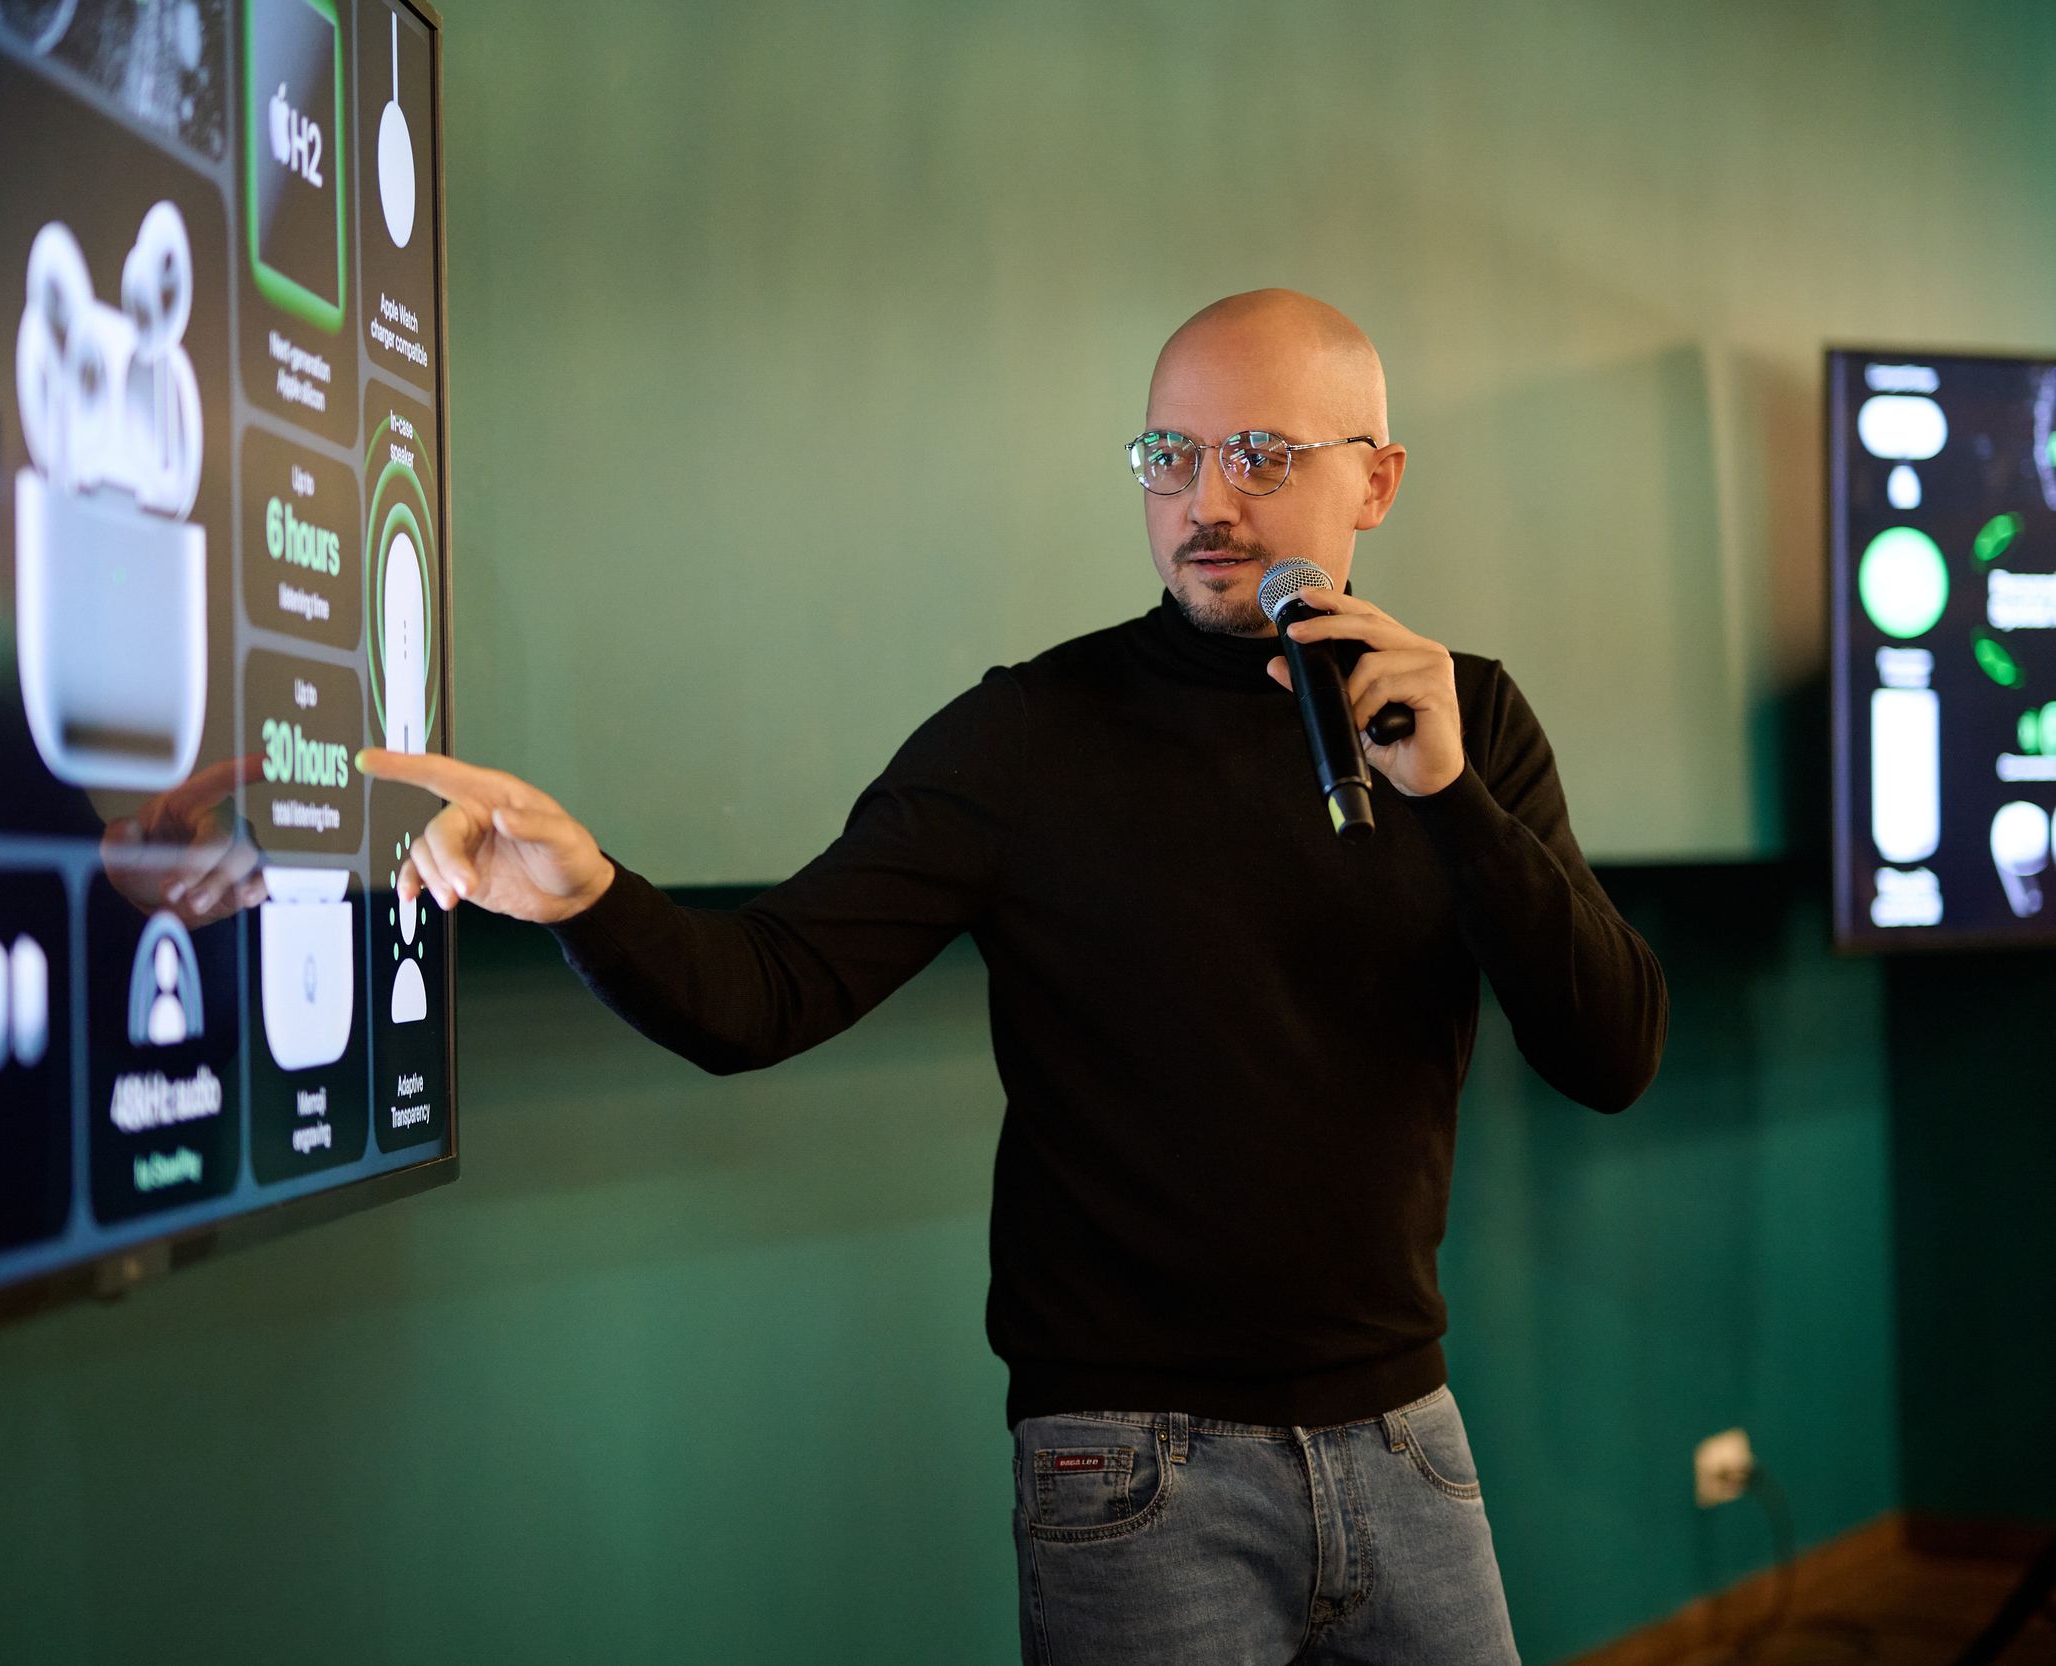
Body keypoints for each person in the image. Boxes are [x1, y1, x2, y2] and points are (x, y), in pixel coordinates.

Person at [359, 289, 1667, 1664]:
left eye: (1261, 455)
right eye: (1170, 454)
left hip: (1407, 1438)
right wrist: (586, 894)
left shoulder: (1464, 720)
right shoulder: (1032, 736)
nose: (1206, 500)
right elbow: (762, 992)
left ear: (1377, 482)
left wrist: (1449, 798)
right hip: (1135, 1465)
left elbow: (1612, 1054)